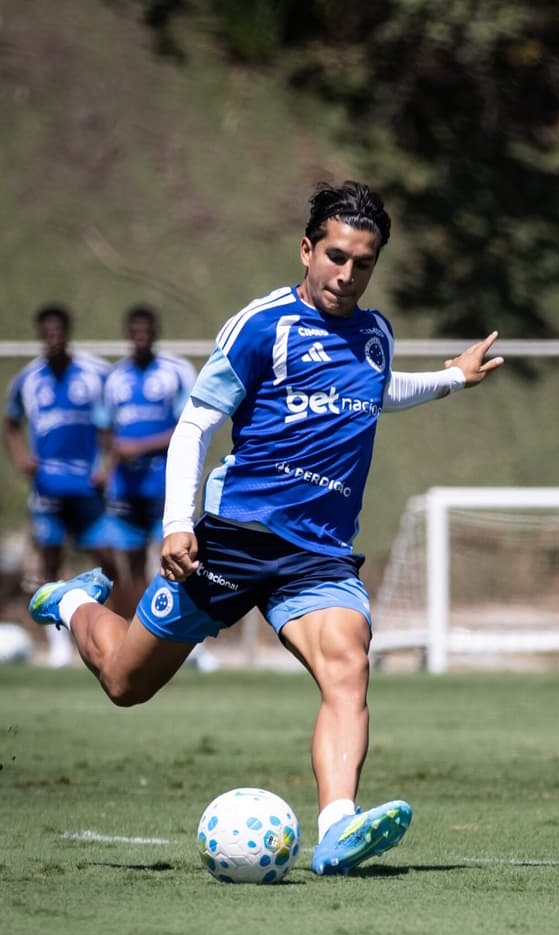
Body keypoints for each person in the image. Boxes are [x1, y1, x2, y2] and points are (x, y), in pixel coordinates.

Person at [28, 180, 503, 872]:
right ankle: (71, 600)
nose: (347, 274)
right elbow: (196, 423)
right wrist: (177, 525)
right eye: (335, 256)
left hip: (318, 553)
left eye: (363, 263)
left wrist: (450, 379)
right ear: (306, 249)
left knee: (348, 660)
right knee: (126, 683)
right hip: (232, 538)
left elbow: (377, 389)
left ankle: (337, 827)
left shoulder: (373, 334)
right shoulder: (262, 327)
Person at [4, 305, 117, 667]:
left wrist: (107, 464)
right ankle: (60, 645)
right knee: (50, 559)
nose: (53, 339)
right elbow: (10, 423)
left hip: (86, 485)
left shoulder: (95, 372)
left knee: (106, 558)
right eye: (47, 333)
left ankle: (112, 630)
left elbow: (116, 418)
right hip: (48, 486)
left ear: (67, 333)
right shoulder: (28, 379)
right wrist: (21, 458)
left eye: (58, 333)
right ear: (41, 335)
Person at [103, 306, 197, 619]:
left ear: (155, 334)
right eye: (135, 333)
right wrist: (110, 458)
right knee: (130, 563)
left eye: (146, 332)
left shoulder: (176, 371)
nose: (140, 339)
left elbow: (188, 427)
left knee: (169, 559)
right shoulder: (115, 377)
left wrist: (140, 447)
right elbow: (104, 426)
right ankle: (138, 628)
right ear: (128, 335)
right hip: (126, 487)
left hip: (163, 484)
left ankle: (179, 632)